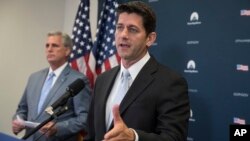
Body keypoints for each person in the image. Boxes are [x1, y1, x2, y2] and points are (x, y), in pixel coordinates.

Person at [86, 1, 190, 141]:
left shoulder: (170, 83)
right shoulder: (103, 79)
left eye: (132, 29)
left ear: (150, 39)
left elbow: (174, 138)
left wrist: (134, 137)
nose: (123, 35)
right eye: (119, 27)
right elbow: (91, 134)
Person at [12, 31, 91, 141]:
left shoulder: (79, 80)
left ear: (67, 50)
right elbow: (22, 108)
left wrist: (58, 128)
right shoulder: (34, 77)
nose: (49, 49)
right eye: (47, 45)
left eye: (55, 45)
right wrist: (17, 121)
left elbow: (84, 118)